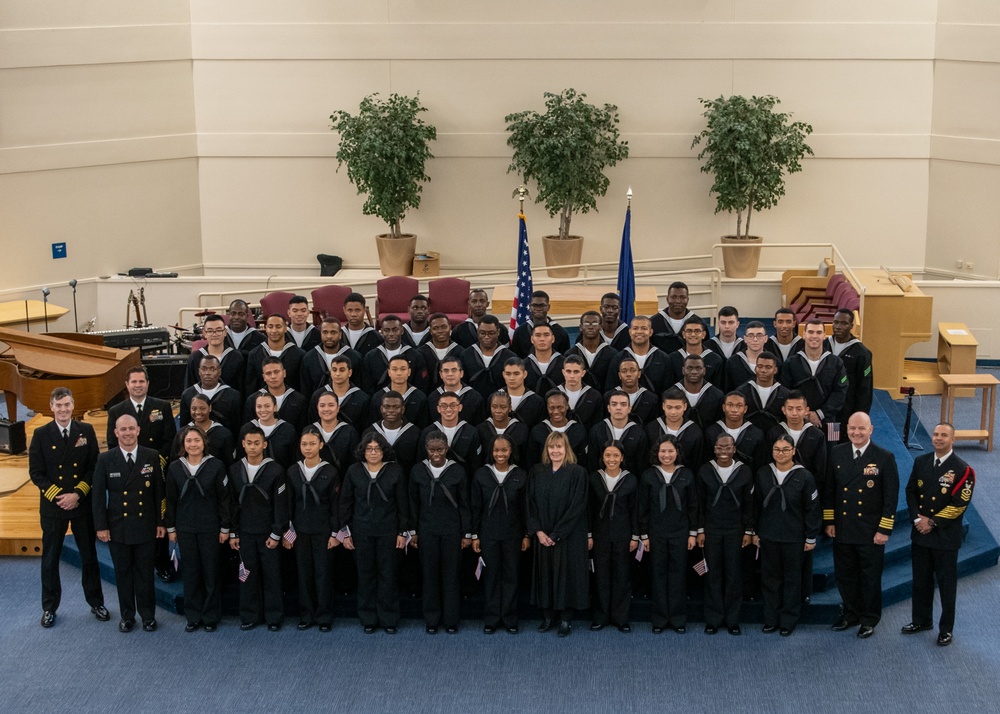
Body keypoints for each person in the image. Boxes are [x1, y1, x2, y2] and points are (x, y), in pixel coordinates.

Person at [28, 387, 106, 628]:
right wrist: (60, 496)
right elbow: (36, 473)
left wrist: (78, 493)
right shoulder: (41, 434)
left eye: (67, 405)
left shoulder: (86, 430)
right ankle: (49, 607)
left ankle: (96, 602)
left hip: (80, 504)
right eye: (58, 405)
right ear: (51, 407)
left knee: (89, 556)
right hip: (54, 506)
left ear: (73, 406)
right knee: (50, 558)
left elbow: (94, 467)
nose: (63, 409)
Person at [826, 412, 899, 639]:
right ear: (847, 429)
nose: (856, 433)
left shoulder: (884, 457)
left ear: (871, 430)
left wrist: (884, 529)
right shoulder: (837, 453)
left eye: (861, 429)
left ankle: (869, 619)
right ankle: (850, 613)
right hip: (844, 527)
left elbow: (890, 497)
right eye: (852, 429)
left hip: (870, 530)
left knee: (869, 578)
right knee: (845, 575)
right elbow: (830, 490)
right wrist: (830, 521)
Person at [903, 422, 975, 647]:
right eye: (935, 434)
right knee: (920, 581)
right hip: (921, 534)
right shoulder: (921, 462)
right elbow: (911, 491)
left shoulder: (963, 469)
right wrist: (917, 518)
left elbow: (959, 504)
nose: (938, 438)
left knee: (946, 585)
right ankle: (921, 621)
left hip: (945, 536)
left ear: (953, 440)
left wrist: (932, 522)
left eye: (944, 435)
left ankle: (946, 629)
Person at [92, 414, 165, 633]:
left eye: (131, 429)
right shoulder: (105, 459)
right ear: (115, 433)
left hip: (145, 526)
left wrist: (161, 522)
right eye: (122, 429)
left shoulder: (151, 456)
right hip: (118, 527)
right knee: (123, 574)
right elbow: (97, 496)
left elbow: (159, 492)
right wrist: (101, 526)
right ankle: (127, 616)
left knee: (145, 574)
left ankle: (148, 616)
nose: (127, 433)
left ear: (138, 430)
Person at [106, 366, 176, 582]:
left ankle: (162, 563)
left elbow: (170, 441)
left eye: (141, 381)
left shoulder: (162, 407)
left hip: (156, 472)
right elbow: (111, 444)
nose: (138, 385)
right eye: (133, 382)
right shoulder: (116, 411)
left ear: (148, 383)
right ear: (127, 385)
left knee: (158, 516)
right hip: (128, 475)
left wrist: (155, 464)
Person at [340, 433, 408, 635]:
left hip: (388, 531)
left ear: (384, 451)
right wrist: (346, 532)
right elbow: (345, 502)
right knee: (366, 576)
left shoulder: (395, 471)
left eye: (377, 449)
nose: (373, 453)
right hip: (361, 532)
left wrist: (402, 531)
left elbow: (403, 504)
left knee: (387, 575)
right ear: (363, 451)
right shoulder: (354, 471)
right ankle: (368, 618)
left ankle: (389, 618)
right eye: (369, 449)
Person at [753, 434, 821, 636]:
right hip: (769, 535)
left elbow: (812, 508)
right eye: (776, 449)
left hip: (794, 538)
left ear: (793, 451)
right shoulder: (763, 473)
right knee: (770, 579)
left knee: (792, 580)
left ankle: (788, 620)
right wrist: (755, 531)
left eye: (785, 449)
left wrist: (810, 536)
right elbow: (755, 505)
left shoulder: (804, 476)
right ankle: (771, 619)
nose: (780, 453)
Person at [165, 425, 231, 632]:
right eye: (189, 441)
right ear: (183, 445)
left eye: (196, 440)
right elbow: (171, 500)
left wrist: (225, 527)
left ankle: (211, 616)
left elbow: (224, 499)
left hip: (210, 527)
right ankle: (193, 615)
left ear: (204, 443)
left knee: (211, 572)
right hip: (185, 528)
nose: (193, 445)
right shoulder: (175, 467)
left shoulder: (216, 466)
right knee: (191, 572)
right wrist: (171, 528)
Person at [527, 431, 589, 637]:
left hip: (567, 536)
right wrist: (538, 531)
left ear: (566, 449)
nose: (555, 451)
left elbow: (577, 506)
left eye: (559, 447)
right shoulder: (537, 471)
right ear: (546, 449)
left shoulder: (577, 472)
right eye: (552, 447)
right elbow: (529, 503)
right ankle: (547, 616)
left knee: (567, 575)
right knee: (546, 574)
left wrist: (557, 534)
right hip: (543, 536)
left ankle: (565, 619)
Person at [409, 430, 472, 634]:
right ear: (426, 449)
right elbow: (412, 503)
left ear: (447, 449)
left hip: (452, 530)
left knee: (451, 575)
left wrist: (466, 533)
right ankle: (432, 619)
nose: (436, 453)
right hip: (426, 530)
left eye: (440, 449)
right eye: (432, 449)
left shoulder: (458, 471)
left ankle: (451, 620)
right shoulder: (418, 471)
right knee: (429, 575)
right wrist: (413, 531)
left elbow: (465, 504)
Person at [228, 424, 287, 631]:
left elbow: (281, 504)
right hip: (244, 533)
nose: (253, 447)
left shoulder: (276, 470)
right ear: (243, 444)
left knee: (272, 575)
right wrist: (234, 532)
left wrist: (277, 532)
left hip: (268, 534)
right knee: (246, 574)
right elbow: (232, 504)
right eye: (249, 443)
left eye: (257, 443)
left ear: (264, 444)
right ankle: (250, 615)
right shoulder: (235, 470)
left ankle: (274, 617)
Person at [283, 426, 342, 632]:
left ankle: (324, 616)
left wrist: (335, 533)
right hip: (300, 531)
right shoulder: (292, 471)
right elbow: (288, 505)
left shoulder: (330, 471)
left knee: (323, 574)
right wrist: (288, 534)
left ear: (321, 445)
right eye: (304, 444)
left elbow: (335, 505)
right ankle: (306, 615)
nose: (308, 448)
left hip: (324, 531)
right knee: (304, 573)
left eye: (312, 444)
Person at [696, 434, 754, 635]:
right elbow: (699, 503)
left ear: (734, 449)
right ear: (714, 449)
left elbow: (749, 503)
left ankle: (732, 619)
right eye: (719, 448)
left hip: (735, 530)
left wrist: (748, 530)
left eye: (727, 448)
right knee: (712, 574)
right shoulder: (705, 470)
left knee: (733, 574)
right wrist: (700, 530)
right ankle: (713, 619)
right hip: (711, 530)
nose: (723, 452)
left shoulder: (744, 471)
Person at [639, 435, 698, 634]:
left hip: (680, 533)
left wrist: (692, 534)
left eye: (671, 451)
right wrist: (644, 535)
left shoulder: (686, 475)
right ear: (657, 453)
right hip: (656, 534)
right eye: (662, 451)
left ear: (677, 453)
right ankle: (660, 619)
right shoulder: (649, 475)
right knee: (658, 575)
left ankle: (677, 619)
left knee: (678, 575)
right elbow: (643, 508)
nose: (666, 455)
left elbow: (693, 506)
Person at [471, 435, 529, 634]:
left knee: (511, 576)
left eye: (504, 450)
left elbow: (526, 508)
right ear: (491, 452)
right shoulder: (481, 474)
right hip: (488, 534)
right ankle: (492, 618)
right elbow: (476, 507)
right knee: (492, 576)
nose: (500, 454)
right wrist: (475, 535)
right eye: (496, 450)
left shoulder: (520, 475)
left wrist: (526, 535)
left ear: (511, 451)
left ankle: (510, 618)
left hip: (513, 534)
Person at [589, 441, 639, 633]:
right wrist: (589, 535)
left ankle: (621, 618)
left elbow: (635, 510)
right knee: (600, 576)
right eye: (608, 455)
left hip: (623, 535)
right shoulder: (594, 478)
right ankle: (600, 617)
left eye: (615, 455)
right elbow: (589, 509)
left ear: (622, 458)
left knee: (621, 576)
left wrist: (635, 536)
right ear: (602, 457)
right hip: (600, 535)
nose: (611, 459)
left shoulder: (631, 480)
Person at [780, 319, 848, 434]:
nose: (814, 336)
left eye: (819, 332)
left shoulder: (837, 363)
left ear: (825, 336)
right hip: (798, 419)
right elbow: (785, 390)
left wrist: (819, 413)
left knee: (832, 449)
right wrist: (803, 413)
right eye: (811, 332)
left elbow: (840, 392)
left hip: (830, 419)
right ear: (804, 334)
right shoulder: (791, 362)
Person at [826, 309, 874, 423]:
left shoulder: (862, 353)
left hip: (846, 408)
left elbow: (865, 388)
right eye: (836, 322)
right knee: (823, 438)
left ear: (851, 326)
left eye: (844, 323)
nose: (838, 326)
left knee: (838, 437)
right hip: (826, 407)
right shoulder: (824, 345)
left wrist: (860, 415)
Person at [361, 314, 430, 394]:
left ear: (402, 330)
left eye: (395, 330)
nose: (391, 333)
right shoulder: (371, 357)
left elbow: (421, 384)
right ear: (381, 332)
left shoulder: (415, 356)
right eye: (387, 330)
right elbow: (367, 386)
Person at [606, 315, 671, 397]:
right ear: (630, 332)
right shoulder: (618, 358)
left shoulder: (663, 358)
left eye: (644, 328)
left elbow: (668, 390)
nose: (639, 332)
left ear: (651, 332)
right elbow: (611, 388)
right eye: (635, 328)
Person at [704, 391, 767, 475]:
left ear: (745, 409)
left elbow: (759, 464)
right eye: (730, 405)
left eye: (739, 406)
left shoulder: (756, 434)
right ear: (723, 407)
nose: (734, 410)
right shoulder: (711, 432)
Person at [587, 390, 650, 473]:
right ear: (608, 408)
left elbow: (642, 465)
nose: (618, 408)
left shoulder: (639, 433)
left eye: (623, 404)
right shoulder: (597, 430)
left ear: (629, 408)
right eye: (614, 404)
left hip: (629, 482)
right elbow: (592, 462)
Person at [178, 355, 242, 434]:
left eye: (212, 369)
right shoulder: (188, 395)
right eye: (204, 369)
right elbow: (184, 427)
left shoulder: (233, 396)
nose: (208, 373)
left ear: (219, 372)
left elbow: (236, 426)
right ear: (199, 371)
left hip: (222, 441)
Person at [300, 316, 362, 398]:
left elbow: (359, 386)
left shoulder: (354, 357)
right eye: (325, 332)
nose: (329, 336)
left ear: (340, 334)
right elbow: (305, 390)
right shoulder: (309, 358)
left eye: (333, 332)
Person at [646, 386, 705, 471]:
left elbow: (697, 462)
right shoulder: (652, 428)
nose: (673, 412)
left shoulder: (695, 432)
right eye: (669, 407)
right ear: (663, 406)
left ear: (685, 406)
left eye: (678, 407)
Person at [243, 356, 308, 431]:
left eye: (276, 372)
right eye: (268, 373)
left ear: (284, 373)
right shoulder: (253, 400)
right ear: (264, 377)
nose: (273, 376)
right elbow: (248, 429)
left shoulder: (299, 400)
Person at [244, 314, 305, 394]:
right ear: (265, 328)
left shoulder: (299, 355)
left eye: (278, 326)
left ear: (285, 328)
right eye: (270, 326)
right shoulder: (254, 354)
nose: (274, 330)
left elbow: (302, 385)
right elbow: (251, 386)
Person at [460, 314, 515, 400]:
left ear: (498, 332)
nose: (486, 337)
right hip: (473, 402)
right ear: (478, 331)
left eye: (491, 333)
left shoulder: (509, 357)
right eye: (483, 333)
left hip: (501, 404)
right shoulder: (466, 355)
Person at [186, 313, 245, 392]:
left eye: (218, 330)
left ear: (225, 332)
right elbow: (189, 388)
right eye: (210, 331)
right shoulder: (195, 357)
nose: (214, 334)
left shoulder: (236, 357)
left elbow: (241, 388)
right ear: (204, 333)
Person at [369, 355, 429, 430]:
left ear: (409, 372)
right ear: (389, 372)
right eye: (394, 369)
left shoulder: (420, 397)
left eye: (403, 369)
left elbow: (423, 426)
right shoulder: (378, 397)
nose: (399, 373)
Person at [528, 390, 588, 465]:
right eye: (552, 408)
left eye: (560, 407)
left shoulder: (578, 430)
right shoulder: (538, 431)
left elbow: (583, 461)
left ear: (567, 406)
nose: (556, 412)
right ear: (547, 408)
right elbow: (532, 460)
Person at [736, 350, 789, 435]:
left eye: (768, 367)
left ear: (775, 370)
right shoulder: (742, 392)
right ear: (755, 368)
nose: (763, 370)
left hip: (776, 438)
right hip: (749, 436)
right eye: (760, 366)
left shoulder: (785, 394)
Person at [308, 354, 368, 427]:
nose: (337, 374)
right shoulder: (318, 396)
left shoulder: (362, 399)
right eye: (334, 370)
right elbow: (312, 423)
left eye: (342, 370)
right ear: (330, 372)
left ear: (350, 372)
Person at [176, 393, 236, 467]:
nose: (198, 412)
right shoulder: (182, 433)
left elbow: (229, 462)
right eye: (194, 409)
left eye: (202, 408)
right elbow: (175, 459)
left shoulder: (223, 433)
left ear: (210, 408)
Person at [477, 391, 531, 470]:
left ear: (509, 408)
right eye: (494, 407)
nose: (498, 411)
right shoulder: (481, 429)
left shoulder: (521, 429)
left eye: (503, 407)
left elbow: (525, 458)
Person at [242, 392, 296, 469]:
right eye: (259, 406)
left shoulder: (288, 429)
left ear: (275, 407)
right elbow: (242, 456)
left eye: (267, 406)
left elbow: (293, 458)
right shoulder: (247, 429)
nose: (263, 410)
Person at [566, 312, 618, 392]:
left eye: (595, 323)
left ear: (601, 327)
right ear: (580, 327)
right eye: (586, 323)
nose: (590, 327)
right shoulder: (570, 354)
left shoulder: (613, 354)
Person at [510, 290, 571, 358]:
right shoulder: (520, 332)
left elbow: (564, 359)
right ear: (530, 307)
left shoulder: (561, 332)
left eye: (541, 305)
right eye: (535, 305)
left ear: (548, 307)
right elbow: (516, 358)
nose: (538, 308)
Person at [669, 317, 724, 389]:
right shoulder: (673, 358)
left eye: (697, 331)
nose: (693, 334)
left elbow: (718, 388)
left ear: (703, 334)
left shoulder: (715, 360)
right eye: (689, 331)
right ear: (683, 334)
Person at [427, 356, 485, 426]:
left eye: (454, 370)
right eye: (446, 371)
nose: (450, 374)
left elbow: (479, 425)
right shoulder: (433, 398)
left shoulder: (475, 398)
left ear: (461, 373)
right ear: (441, 374)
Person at [651, 282, 706, 354]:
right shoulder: (654, 322)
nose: (678, 301)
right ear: (667, 299)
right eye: (673, 297)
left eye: (682, 297)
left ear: (688, 299)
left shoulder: (699, 324)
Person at [673, 354, 725, 430]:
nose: (694, 372)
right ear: (683, 370)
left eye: (698, 368)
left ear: (704, 371)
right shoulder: (671, 394)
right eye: (689, 368)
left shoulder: (717, 396)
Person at [313, 391, 360, 472]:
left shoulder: (349, 432)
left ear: (338, 408)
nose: (326, 409)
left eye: (331, 405)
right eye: (322, 405)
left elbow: (355, 462)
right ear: (317, 408)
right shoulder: (310, 431)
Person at [417, 313, 464, 391]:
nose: (440, 331)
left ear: (450, 328)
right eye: (435, 328)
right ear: (430, 331)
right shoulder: (421, 353)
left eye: (444, 327)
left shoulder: (460, 352)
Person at [606, 355, 659, 425]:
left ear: (639, 374)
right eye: (624, 371)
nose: (628, 374)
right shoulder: (608, 396)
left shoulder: (651, 398)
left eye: (632, 370)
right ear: (619, 375)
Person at [559, 355, 604, 431]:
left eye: (576, 372)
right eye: (568, 371)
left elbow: (597, 425)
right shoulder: (554, 394)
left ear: (583, 373)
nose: (572, 376)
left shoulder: (594, 396)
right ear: (563, 372)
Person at [500, 357, 545, 429]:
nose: (512, 378)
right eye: (508, 374)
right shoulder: (495, 399)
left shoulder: (537, 402)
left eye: (516, 374)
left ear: (525, 374)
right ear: (503, 374)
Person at [726, 320, 768, 391]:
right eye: (751, 336)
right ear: (745, 339)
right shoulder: (733, 362)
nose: (755, 339)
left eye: (759, 335)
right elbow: (727, 389)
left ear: (765, 338)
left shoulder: (774, 362)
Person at [525, 323, 565, 395]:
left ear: (553, 338)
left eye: (546, 335)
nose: (542, 339)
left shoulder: (564, 364)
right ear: (532, 339)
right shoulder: (524, 365)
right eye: (538, 335)